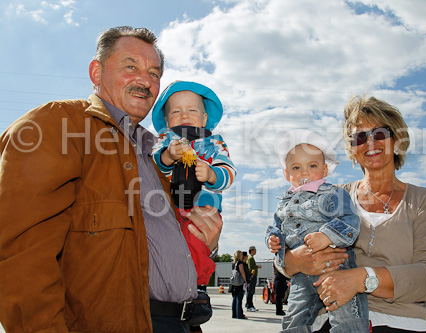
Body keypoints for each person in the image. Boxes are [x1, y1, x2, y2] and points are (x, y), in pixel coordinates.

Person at [0, 26, 222, 333]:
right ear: (96, 71)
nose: (146, 81)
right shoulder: (57, 126)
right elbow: (20, 258)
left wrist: (206, 241)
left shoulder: (155, 159)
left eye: (155, 73)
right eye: (131, 67)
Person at [276, 96, 426, 333]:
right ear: (352, 150)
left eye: (379, 134)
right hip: (331, 319)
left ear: (396, 141)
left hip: (402, 321)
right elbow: (286, 251)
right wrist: (294, 260)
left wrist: (362, 279)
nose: (370, 143)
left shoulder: (422, 200)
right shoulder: (331, 196)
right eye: (359, 137)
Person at [150, 80, 236, 331]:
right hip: (172, 209)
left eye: (192, 110)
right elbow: (158, 162)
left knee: (198, 241)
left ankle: (197, 287)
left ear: (205, 117)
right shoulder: (166, 140)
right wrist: (169, 155)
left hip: (203, 208)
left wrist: (211, 174)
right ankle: (180, 284)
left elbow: (229, 172)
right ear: (167, 121)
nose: (184, 115)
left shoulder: (215, 143)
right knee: (176, 243)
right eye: (176, 111)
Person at [266, 129, 369, 332]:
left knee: (346, 315)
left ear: (324, 171)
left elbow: (350, 221)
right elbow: (277, 228)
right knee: (294, 319)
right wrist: (273, 240)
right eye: (296, 167)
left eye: (312, 166)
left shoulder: (333, 194)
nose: (304, 172)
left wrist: (326, 236)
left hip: (335, 271)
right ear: (287, 174)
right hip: (301, 277)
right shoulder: (283, 204)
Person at [231, 250, 248, 320]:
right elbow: (242, 272)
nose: (242, 255)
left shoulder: (233, 263)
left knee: (234, 299)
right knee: (239, 299)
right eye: (241, 254)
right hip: (239, 282)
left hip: (234, 282)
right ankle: (239, 314)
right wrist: (245, 281)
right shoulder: (240, 263)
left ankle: (234, 314)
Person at [246, 245, 263, 312]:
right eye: (255, 250)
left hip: (252, 277)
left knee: (251, 291)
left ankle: (250, 304)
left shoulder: (250, 258)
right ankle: (249, 305)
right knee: (250, 291)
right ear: (252, 250)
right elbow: (250, 268)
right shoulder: (250, 258)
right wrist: (257, 267)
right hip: (252, 277)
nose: (255, 251)